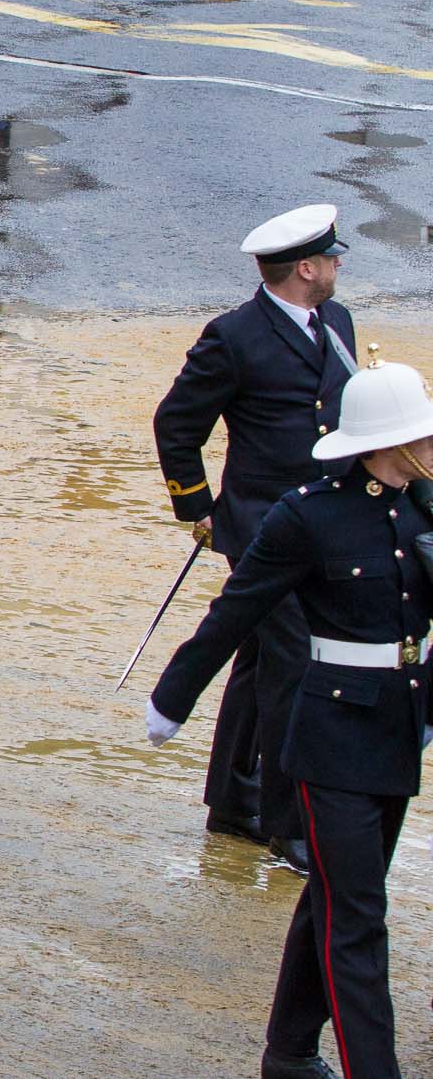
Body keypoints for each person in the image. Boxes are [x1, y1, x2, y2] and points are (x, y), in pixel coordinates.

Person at [147, 357, 433, 1079]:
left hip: (400, 728)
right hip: (331, 737)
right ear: (389, 445)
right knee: (359, 918)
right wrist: (173, 695)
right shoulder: (307, 513)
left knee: (338, 894)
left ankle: (289, 1050)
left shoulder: (424, 506)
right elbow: (236, 607)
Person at [154, 204, 356, 875]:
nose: (336, 266)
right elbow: (177, 423)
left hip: (322, 524)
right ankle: (288, 825)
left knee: (259, 664)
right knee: (295, 668)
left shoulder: (338, 322)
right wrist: (200, 508)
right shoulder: (236, 336)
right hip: (264, 530)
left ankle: (232, 802)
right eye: (330, 257)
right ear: (306, 267)